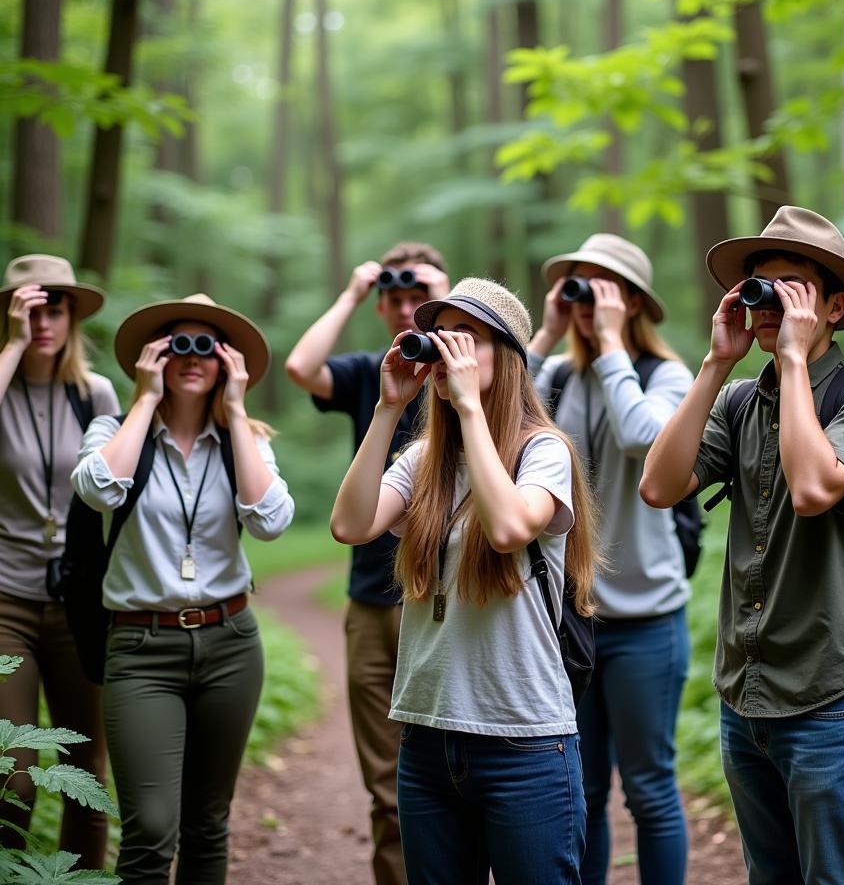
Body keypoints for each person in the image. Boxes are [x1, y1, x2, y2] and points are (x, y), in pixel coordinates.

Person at [641, 206, 844, 885]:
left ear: (833, 307)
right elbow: (659, 485)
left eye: (788, 287)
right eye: (757, 286)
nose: (766, 303)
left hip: (834, 698)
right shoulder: (738, 401)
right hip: (747, 700)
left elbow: (816, 488)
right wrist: (712, 364)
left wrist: (791, 358)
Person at [330, 277, 599, 885]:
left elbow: (507, 528)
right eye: (440, 335)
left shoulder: (544, 452)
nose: (447, 348)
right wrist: (388, 408)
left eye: (467, 337)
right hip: (427, 738)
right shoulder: (423, 460)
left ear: (505, 359)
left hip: (524, 742)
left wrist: (472, 410)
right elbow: (349, 525)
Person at [71, 293, 295, 885]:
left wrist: (238, 413)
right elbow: (98, 488)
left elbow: (270, 521)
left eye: (208, 347)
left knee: (207, 824)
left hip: (230, 644)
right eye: (177, 345)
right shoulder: (114, 430)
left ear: (228, 363)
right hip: (142, 650)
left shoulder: (245, 443)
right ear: (153, 357)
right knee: (149, 826)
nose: (192, 358)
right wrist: (145, 399)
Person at [528, 234, 692, 885]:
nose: (589, 300)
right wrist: (544, 334)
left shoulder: (667, 377)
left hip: (647, 620)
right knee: (583, 788)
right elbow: (497, 413)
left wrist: (615, 347)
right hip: (574, 619)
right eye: (580, 285)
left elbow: (641, 439)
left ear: (632, 303)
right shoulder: (561, 376)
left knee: (648, 789)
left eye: (604, 287)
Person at [285, 241, 449, 885]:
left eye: (421, 298)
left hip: (445, 600)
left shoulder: (470, 370)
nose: (408, 309)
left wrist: (451, 302)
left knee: (453, 773)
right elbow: (301, 367)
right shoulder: (368, 373)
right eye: (396, 298)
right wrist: (352, 291)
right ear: (380, 306)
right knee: (387, 785)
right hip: (372, 599)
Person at [0, 254, 118, 866]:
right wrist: (15, 346)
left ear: (74, 316)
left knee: (86, 775)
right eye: (32, 307)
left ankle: (80, 881)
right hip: (6, 601)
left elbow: (118, 484)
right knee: (11, 779)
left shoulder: (93, 392)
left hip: (78, 600)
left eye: (58, 307)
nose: (46, 319)